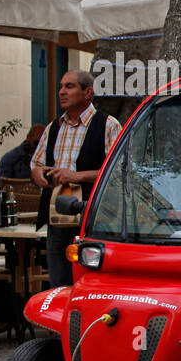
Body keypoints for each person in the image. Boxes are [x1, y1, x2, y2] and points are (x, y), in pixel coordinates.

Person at [31, 71, 122, 287]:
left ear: (87, 92)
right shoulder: (53, 127)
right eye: (61, 86)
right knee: (59, 284)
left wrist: (77, 176)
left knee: (93, 284)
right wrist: (38, 174)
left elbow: (119, 172)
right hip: (58, 220)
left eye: (69, 86)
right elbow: (36, 164)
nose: (62, 91)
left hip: (95, 221)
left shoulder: (108, 125)